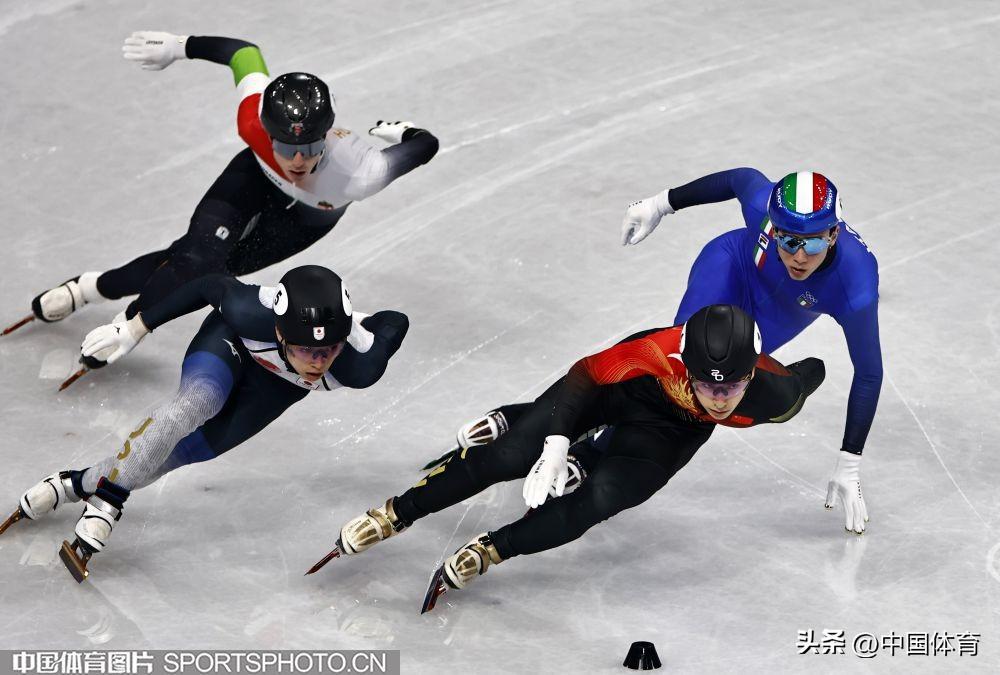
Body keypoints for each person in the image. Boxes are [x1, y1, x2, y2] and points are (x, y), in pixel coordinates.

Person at [328, 305, 825, 606]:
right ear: (685, 364)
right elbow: (585, 375)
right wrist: (556, 442)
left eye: (732, 386)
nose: (718, 399)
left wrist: (809, 375)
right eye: (706, 384)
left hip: (671, 432)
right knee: (510, 457)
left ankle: (494, 549)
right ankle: (396, 512)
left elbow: (809, 373)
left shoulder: (775, 397)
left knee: (601, 498)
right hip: (620, 390)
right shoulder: (657, 351)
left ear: (752, 375)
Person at [21, 30, 437, 370]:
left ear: (326, 136)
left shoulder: (360, 173)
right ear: (266, 131)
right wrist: (179, 46)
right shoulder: (252, 119)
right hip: (253, 177)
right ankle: (95, 295)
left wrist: (407, 133)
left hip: (307, 218)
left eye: (310, 148)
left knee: (214, 268)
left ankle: (99, 297)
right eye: (284, 146)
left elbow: (426, 146)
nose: (297, 161)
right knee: (194, 257)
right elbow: (243, 53)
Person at [1, 265, 409, 582]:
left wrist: (359, 331)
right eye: (306, 349)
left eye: (329, 349)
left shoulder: (358, 366)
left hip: (275, 390)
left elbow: (397, 320)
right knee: (196, 403)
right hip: (230, 342)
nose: (318, 362)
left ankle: (75, 484)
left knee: (181, 454)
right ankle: (107, 499)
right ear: (280, 331)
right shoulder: (249, 311)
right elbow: (207, 284)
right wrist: (136, 328)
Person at [620, 169, 880, 534]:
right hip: (731, 266)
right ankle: (594, 432)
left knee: (713, 389)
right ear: (773, 228)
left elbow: (869, 373)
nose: (799, 257)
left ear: (833, 234)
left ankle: (610, 447)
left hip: (779, 315)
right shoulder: (761, 206)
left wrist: (849, 461)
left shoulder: (856, 282)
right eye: (788, 240)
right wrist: (661, 204)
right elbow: (739, 178)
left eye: (812, 244)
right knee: (678, 364)